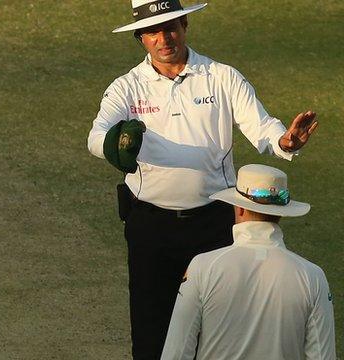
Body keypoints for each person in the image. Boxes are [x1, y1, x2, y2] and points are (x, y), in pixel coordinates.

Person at [86, 1, 319, 358]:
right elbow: (96, 136)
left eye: (171, 27)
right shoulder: (126, 88)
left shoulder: (222, 77)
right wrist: (114, 144)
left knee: (217, 333)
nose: (164, 38)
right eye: (153, 31)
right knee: (152, 333)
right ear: (140, 38)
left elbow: (261, 126)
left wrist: (284, 142)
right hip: (151, 228)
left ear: (184, 25)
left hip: (212, 225)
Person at [161, 164, 336, 360]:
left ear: (240, 209)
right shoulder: (313, 276)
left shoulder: (203, 267)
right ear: (280, 213)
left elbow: (175, 353)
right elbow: (323, 356)